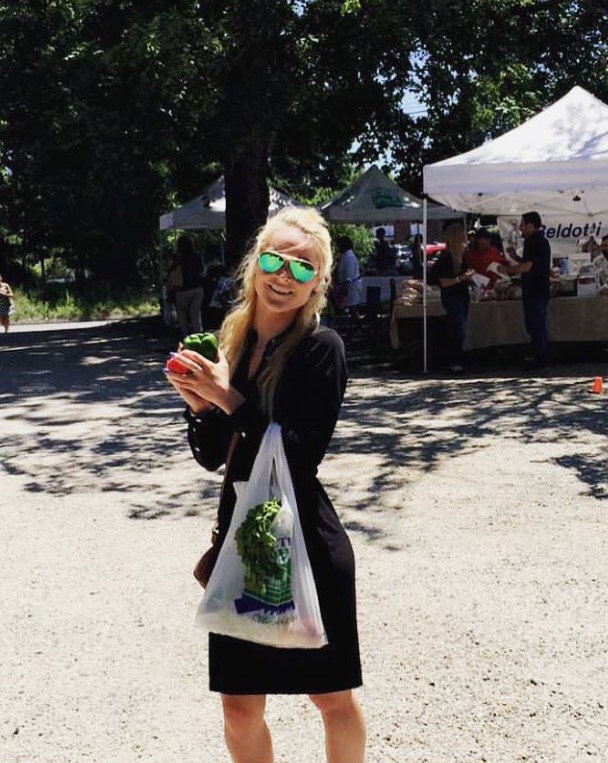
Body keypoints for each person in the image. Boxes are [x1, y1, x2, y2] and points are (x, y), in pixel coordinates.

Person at [165, 207, 365, 763]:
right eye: (275, 260)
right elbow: (214, 457)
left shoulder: (322, 349)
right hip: (242, 543)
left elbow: (299, 454)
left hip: (304, 542)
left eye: (303, 268)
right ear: (255, 265)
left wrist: (228, 399)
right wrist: (200, 407)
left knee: (330, 697)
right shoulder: (233, 339)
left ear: (318, 283)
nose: (285, 276)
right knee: (239, 708)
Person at [504, 211, 551, 368]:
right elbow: (529, 263)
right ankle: (539, 356)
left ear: (531, 225)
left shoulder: (534, 242)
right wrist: (515, 258)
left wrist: (506, 270)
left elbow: (527, 267)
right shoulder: (538, 242)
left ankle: (541, 358)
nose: (521, 229)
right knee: (533, 324)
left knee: (536, 324)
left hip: (535, 290)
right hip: (536, 289)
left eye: (523, 226)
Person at [429, 221, 475, 373]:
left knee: (461, 328)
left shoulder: (463, 257)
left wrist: (469, 279)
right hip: (452, 296)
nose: (465, 241)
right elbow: (444, 282)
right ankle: (454, 360)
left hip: (462, 295)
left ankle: (459, 358)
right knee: (457, 328)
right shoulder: (446, 259)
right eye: (462, 237)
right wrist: (461, 278)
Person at [174, 235, 205, 336]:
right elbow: (202, 273)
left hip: (181, 289)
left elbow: (172, 273)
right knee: (195, 314)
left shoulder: (177, 259)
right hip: (197, 288)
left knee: (182, 315)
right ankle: (198, 336)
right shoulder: (197, 257)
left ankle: (186, 337)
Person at [334, 235, 363, 312]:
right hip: (349, 284)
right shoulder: (345, 255)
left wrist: (344, 289)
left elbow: (349, 276)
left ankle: (356, 323)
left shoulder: (349, 257)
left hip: (351, 285)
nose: (338, 247)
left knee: (352, 306)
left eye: (339, 245)